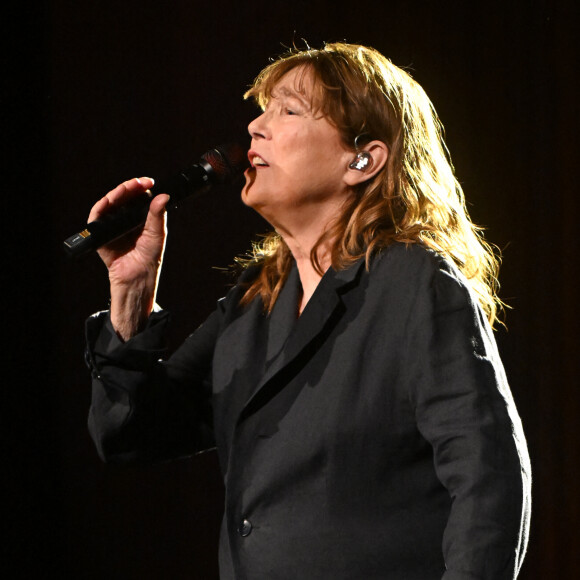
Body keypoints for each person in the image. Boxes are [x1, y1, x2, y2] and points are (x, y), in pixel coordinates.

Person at [84, 43, 531, 579]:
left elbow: (489, 477)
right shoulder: (255, 302)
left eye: (288, 110)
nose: (255, 126)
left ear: (362, 159)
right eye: (264, 108)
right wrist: (130, 297)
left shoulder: (412, 281)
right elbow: (131, 437)